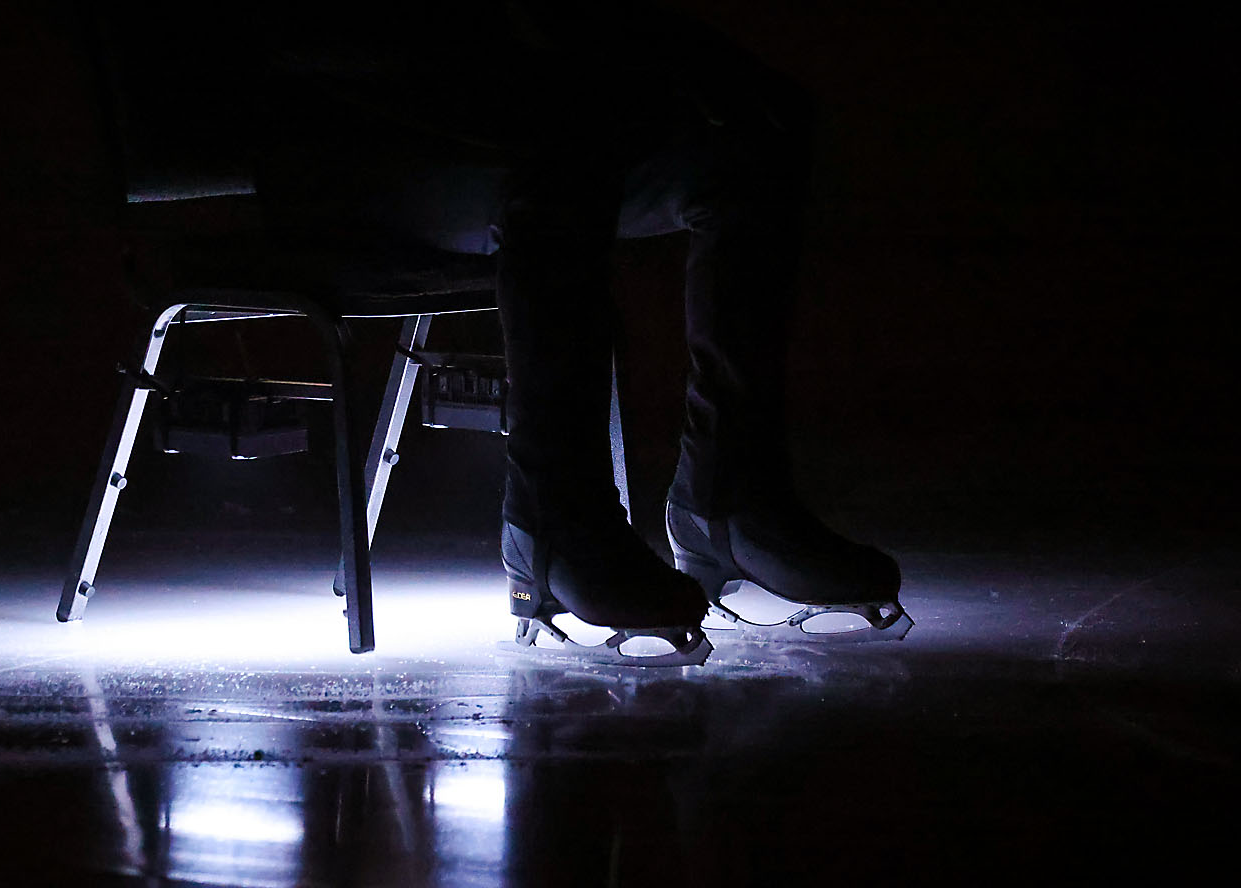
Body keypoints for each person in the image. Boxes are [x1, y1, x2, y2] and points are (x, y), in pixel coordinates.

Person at [147, 2, 911, 656]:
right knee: (557, 158)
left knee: (748, 155)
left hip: (464, 115)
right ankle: (553, 522)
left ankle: (730, 500)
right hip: (337, 139)